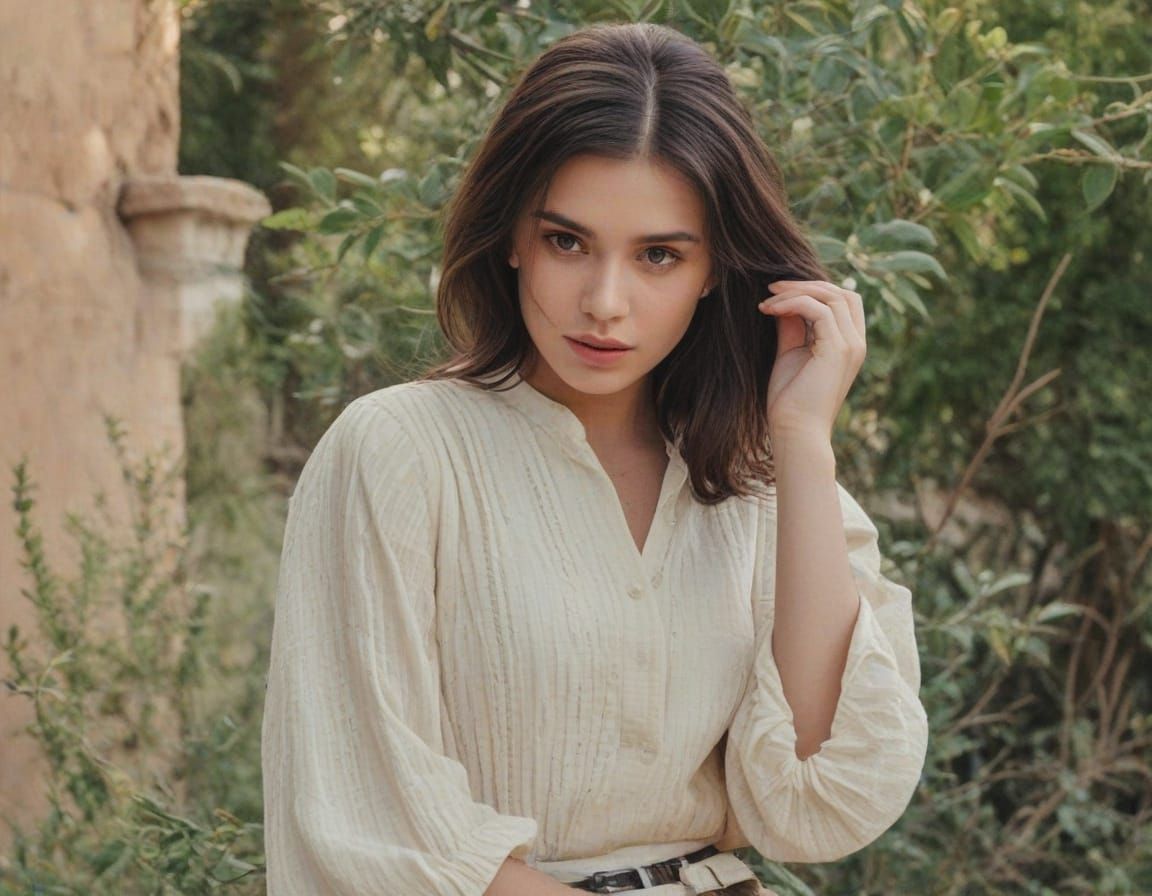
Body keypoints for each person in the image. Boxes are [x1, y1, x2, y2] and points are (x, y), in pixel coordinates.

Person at [260, 21, 930, 896]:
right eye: (567, 242)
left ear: (713, 270)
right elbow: (368, 828)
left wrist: (803, 443)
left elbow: (812, 789)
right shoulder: (397, 453)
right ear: (510, 238)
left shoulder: (757, 480)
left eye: (658, 255)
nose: (604, 303)